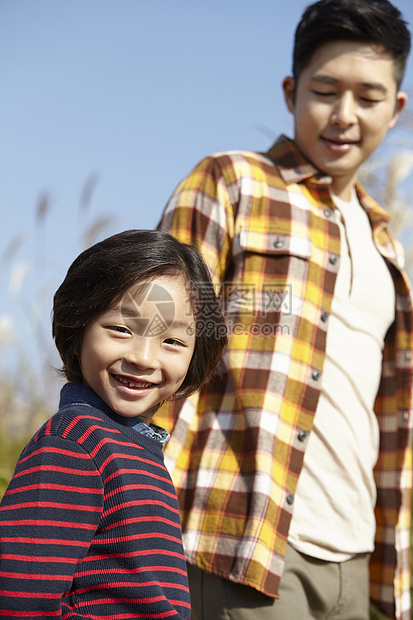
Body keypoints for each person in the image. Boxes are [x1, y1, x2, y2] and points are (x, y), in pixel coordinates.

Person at [154, 1, 413, 618]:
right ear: (292, 92)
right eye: (325, 91)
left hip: (357, 557)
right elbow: (156, 340)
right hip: (241, 542)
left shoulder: (388, 247)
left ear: (396, 108)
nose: (344, 116)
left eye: (368, 97)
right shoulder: (231, 184)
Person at [0, 229, 227, 619]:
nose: (143, 356)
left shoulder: (136, 449)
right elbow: (19, 600)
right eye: (121, 329)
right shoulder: (73, 445)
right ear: (79, 329)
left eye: (172, 341)